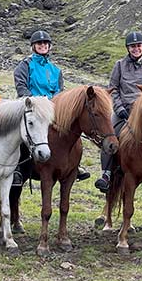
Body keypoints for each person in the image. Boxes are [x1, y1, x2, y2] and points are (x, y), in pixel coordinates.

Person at [13, 30, 88, 184]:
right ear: (33, 46)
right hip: (31, 107)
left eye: (45, 43)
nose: (43, 45)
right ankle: (17, 168)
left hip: (52, 109)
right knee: (21, 133)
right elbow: (21, 87)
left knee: (71, 129)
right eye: (39, 43)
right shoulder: (25, 65)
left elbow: (59, 91)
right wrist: (35, 103)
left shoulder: (55, 70)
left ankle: (74, 164)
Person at [97, 31, 142, 192]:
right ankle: (106, 173)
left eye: (138, 46)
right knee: (109, 136)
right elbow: (113, 89)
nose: (136, 49)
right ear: (128, 48)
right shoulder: (119, 65)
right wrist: (119, 109)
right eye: (133, 46)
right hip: (124, 111)